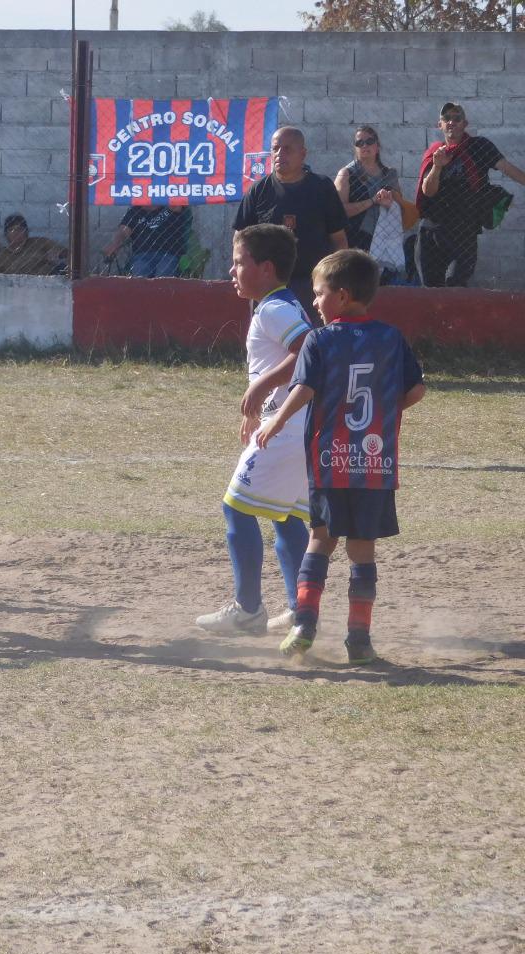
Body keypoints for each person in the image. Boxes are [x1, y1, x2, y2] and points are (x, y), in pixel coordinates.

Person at [255, 249, 426, 665]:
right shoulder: (390, 336)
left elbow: (305, 389)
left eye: (318, 293)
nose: (314, 302)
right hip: (374, 463)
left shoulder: (320, 339)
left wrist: (275, 420)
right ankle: (359, 640)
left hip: (331, 459)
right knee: (362, 550)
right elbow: (417, 389)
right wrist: (386, 409)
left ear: (343, 296)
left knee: (319, 541)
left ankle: (304, 625)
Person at [195, 225, 312, 638]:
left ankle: (247, 611)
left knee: (236, 507)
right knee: (286, 516)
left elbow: (306, 350)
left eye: (240, 261)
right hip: (295, 423)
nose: (232, 269)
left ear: (265, 268)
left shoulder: (273, 310)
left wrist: (260, 387)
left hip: (284, 427)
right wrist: (259, 406)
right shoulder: (279, 303)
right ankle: (302, 611)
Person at [233, 126, 349, 314]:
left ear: (302, 154)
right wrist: (242, 274)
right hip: (267, 286)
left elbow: (339, 239)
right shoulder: (259, 190)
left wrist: (336, 278)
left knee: (311, 340)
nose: (280, 154)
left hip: (312, 285)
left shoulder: (322, 188)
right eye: (275, 148)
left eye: (287, 149)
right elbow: (240, 238)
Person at [417, 102, 525, 287]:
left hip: (463, 233)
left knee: (456, 286)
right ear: (440, 124)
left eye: (457, 118)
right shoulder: (435, 152)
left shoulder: (479, 146)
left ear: (465, 124)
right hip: (432, 231)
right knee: (430, 292)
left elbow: (507, 169)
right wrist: (437, 166)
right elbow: (428, 191)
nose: (452, 122)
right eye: (447, 118)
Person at [334, 126, 403, 254]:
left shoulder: (389, 174)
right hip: (355, 238)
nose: (365, 145)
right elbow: (339, 211)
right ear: (355, 149)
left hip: (385, 236)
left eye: (369, 141)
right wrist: (372, 201)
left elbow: (400, 205)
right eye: (360, 143)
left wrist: (390, 202)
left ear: (377, 146)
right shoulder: (346, 174)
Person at [101, 205, 192, 278]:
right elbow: (123, 232)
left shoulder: (171, 206)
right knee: (140, 275)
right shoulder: (135, 211)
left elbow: (177, 202)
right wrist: (115, 245)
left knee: (163, 276)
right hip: (142, 255)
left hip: (168, 254)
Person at [0, 214, 66, 276]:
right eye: (11, 230)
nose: (15, 232)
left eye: (20, 229)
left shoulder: (39, 242)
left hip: (46, 281)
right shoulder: (1, 255)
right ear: (6, 234)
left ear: (26, 232)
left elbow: (65, 252)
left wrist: (56, 255)